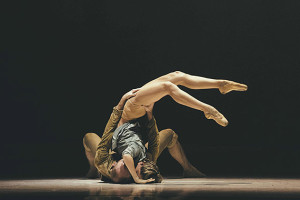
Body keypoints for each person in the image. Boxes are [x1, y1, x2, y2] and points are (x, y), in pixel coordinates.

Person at [83, 88, 205, 183]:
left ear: (114, 163)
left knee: (89, 136)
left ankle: (93, 168)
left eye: (125, 164)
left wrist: (120, 103)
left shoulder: (103, 161)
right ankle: (188, 169)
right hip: (131, 144)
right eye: (129, 166)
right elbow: (153, 142)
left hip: (110, 149)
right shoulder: (143, 162)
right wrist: (150, 115)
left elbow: (108, 132)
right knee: (170, 134)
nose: (127, 162)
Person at [119, 71, 247, 127]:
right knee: (168, 87)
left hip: (132, 105)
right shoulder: (119, 144)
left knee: (177, 75)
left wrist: (123, 99)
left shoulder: (114, 142)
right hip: (130, 112)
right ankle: (207, 109)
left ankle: (220, 85)